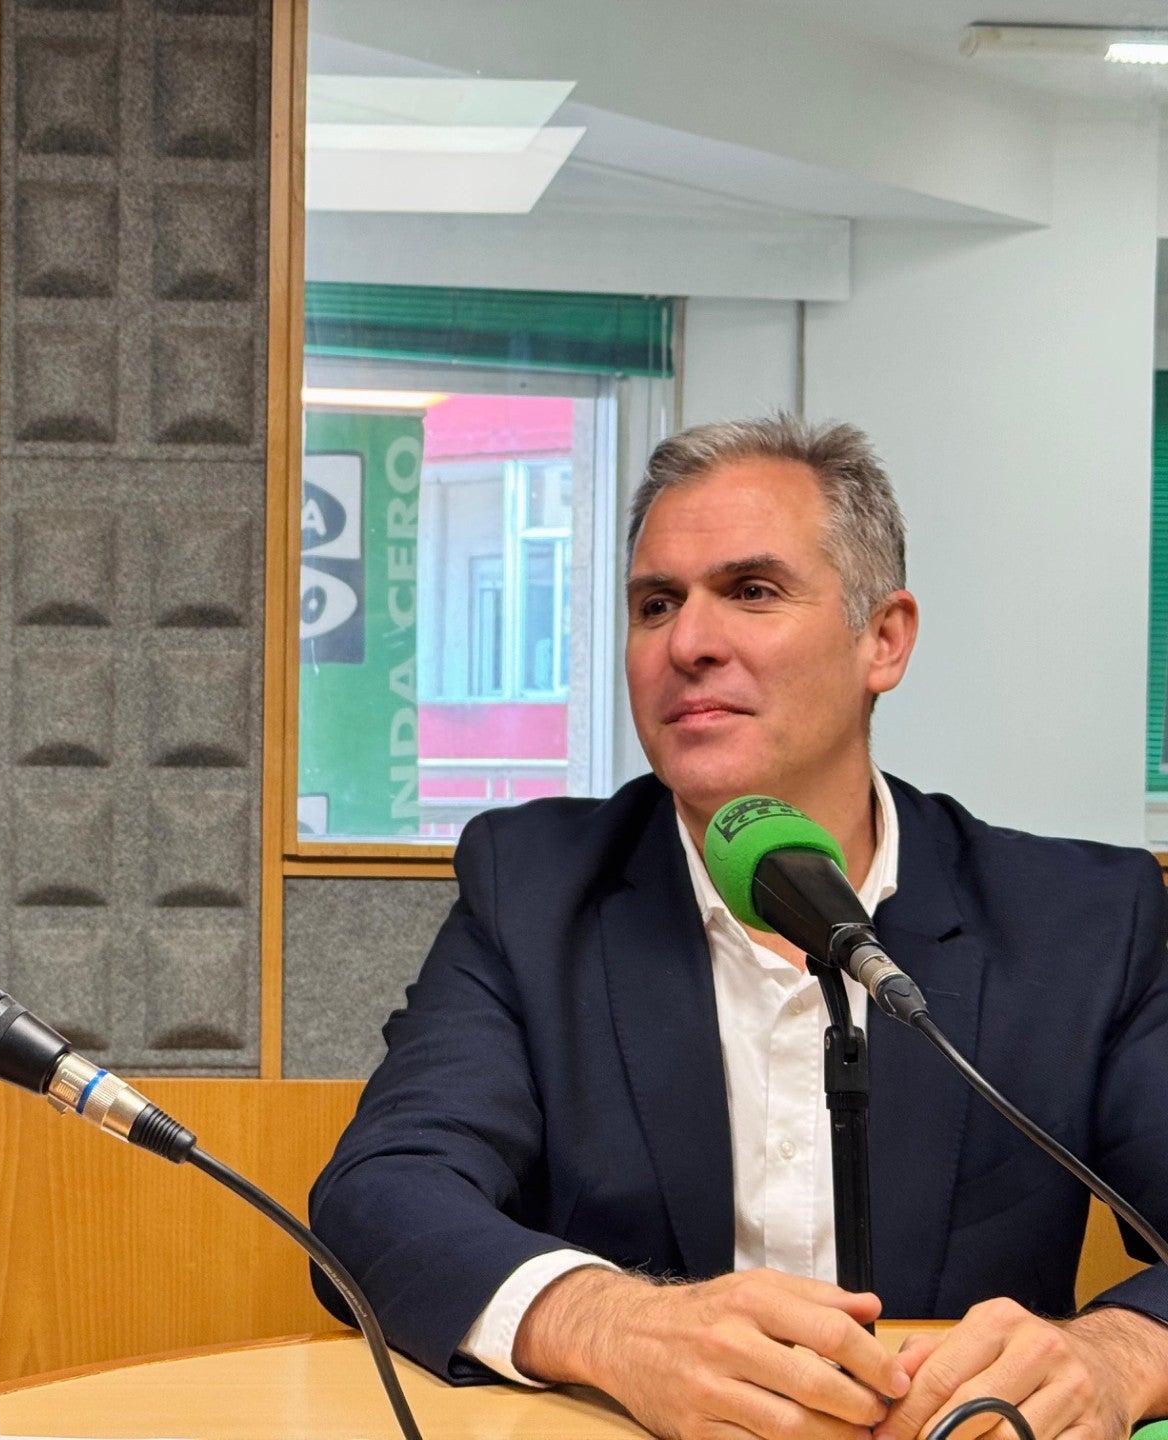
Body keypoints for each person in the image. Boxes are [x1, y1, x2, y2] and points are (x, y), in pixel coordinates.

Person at [310, 416, 1168, 1440]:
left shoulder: (1078, 919)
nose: (687, 642)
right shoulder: (535, 887)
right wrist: (613, 1325)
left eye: (752, 592)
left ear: (883, 639)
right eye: (655, 604)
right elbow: (381, 1196)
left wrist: (1114, 1356)